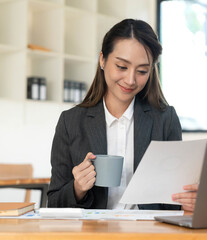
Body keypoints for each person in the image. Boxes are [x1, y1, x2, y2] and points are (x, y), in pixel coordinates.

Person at [47, 19, 198, 211]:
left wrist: (190, 200)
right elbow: (53, 203)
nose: (130, 80)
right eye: (121, 66)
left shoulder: (165, 119)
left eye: (142, 71)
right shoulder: (71, 122)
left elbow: (174, 202)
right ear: (102, 59)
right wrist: (78, 188)